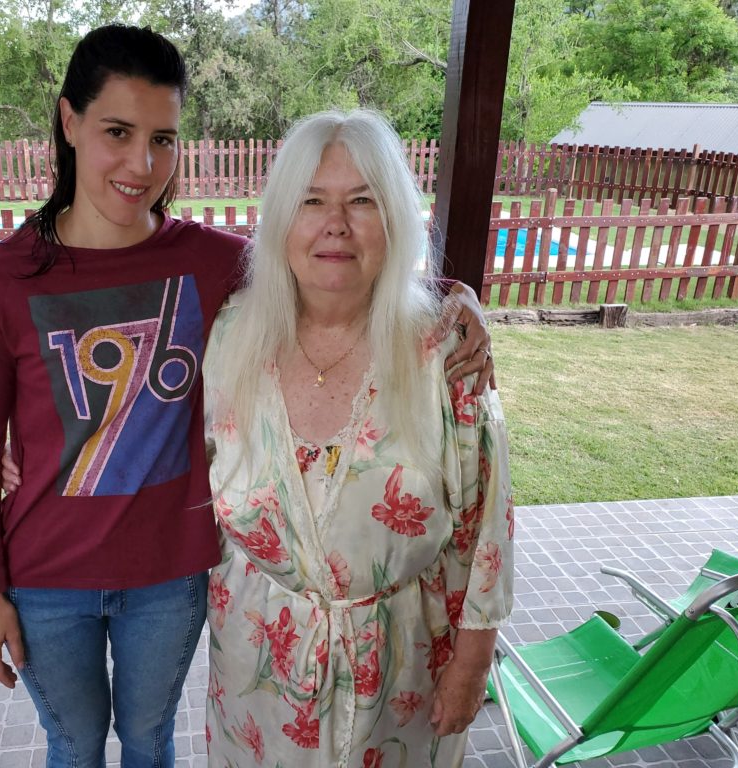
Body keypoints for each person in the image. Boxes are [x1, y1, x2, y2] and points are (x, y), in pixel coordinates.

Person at [0, 24, 495, 768]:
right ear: (69, 120)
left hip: (167, 571)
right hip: (48, 573)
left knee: (148, 741)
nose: (142, 163)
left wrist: (454, 298)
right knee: (73, 742)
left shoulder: (209, 262)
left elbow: (335, 264)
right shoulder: (2, 277)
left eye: (165, 139)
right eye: (118, 131)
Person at [201, 109, 513, 767]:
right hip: (257, 661)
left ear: (395, 219)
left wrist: (473, 662)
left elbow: (487, 523)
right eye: (311, 201)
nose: (335, 224)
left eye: (362, 201)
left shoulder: (443, 348)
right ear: (282, 218)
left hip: (403, 666)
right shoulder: (232, 333)